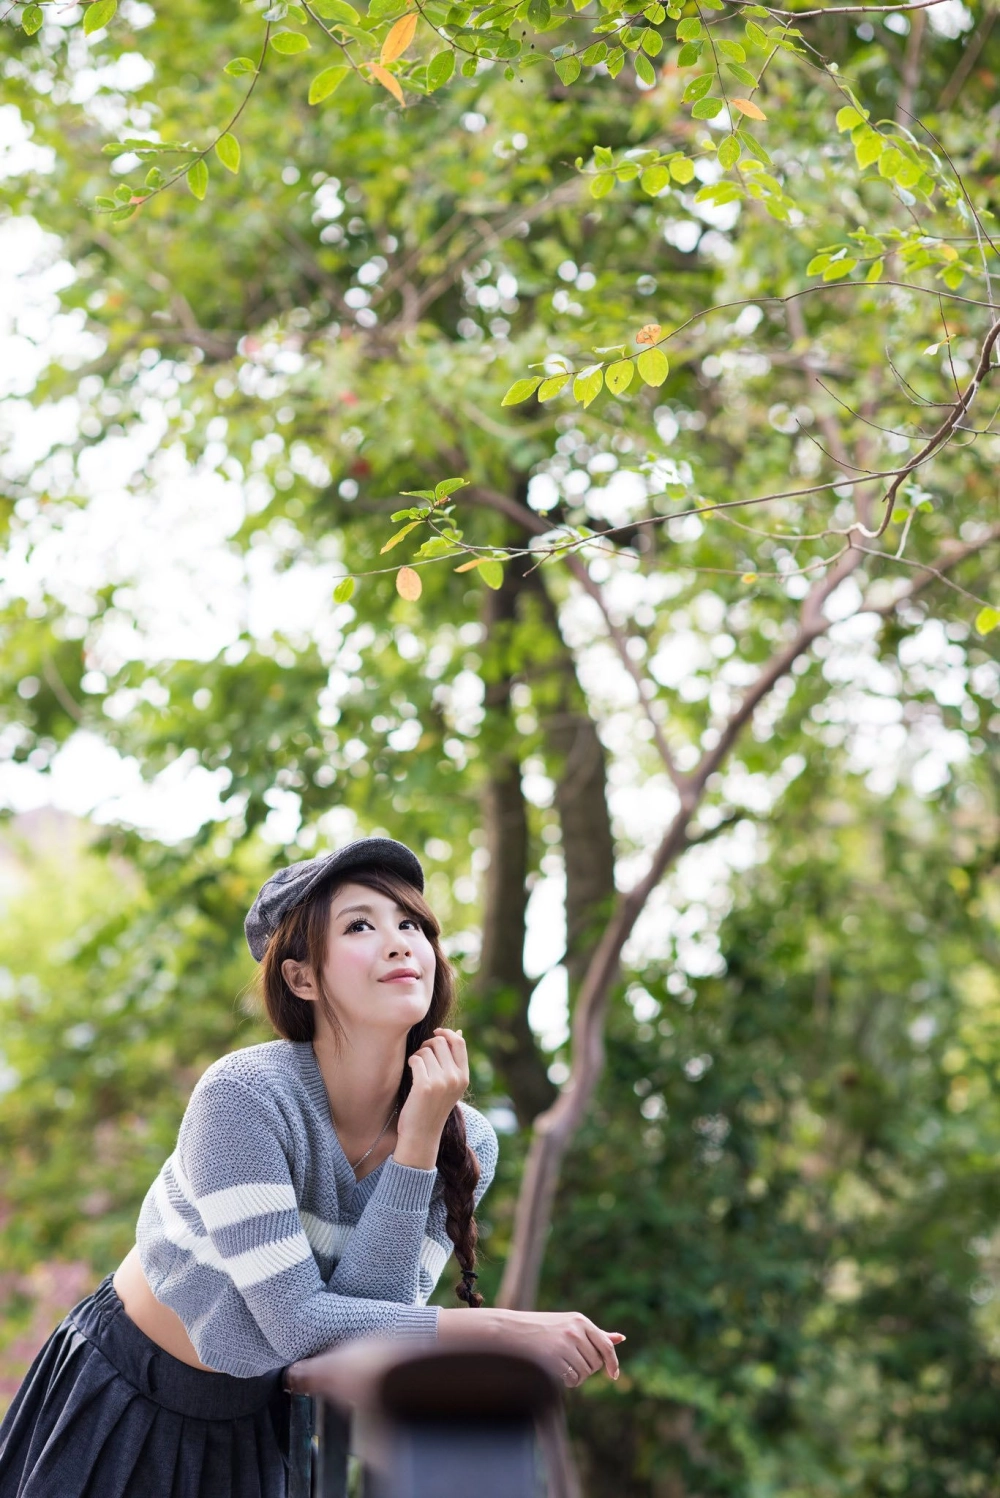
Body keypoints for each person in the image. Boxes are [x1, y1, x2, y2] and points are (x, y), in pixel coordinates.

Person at [0, 836, 624, 1497]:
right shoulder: (244, 1095)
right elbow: (297, 1322)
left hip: (259, 1424)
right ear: (301, 977)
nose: (398, 942)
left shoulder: (461, 1143)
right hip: (126, 1399)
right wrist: (500, 1329)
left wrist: (415, 1144)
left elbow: (365, 1327)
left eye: (410, 923)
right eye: (361, 925)